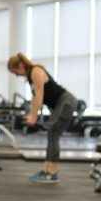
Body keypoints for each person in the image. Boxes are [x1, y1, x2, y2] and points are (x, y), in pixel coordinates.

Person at [7, 53, 78, 184]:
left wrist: (34, 116)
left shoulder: (36, 70)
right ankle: (46, 170)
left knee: (53, 132)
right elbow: (35, 97)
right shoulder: (30, 76)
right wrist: (31, 113)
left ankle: (52, 172)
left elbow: (40, 94)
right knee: (51, 133)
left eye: (15, 71)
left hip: (66, 102)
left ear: (20, 65)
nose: (16, 75)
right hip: (59, 104)